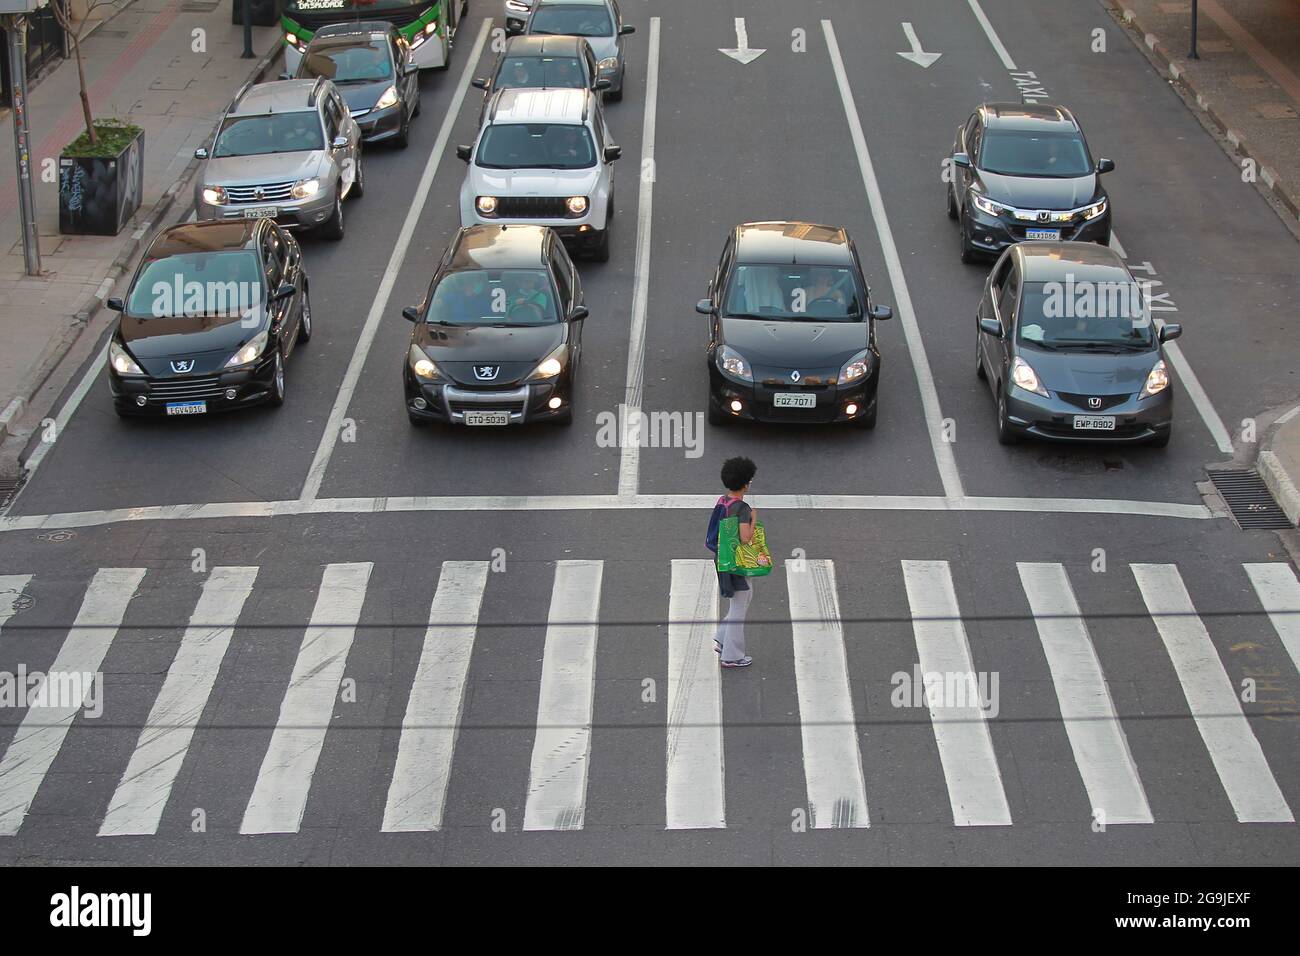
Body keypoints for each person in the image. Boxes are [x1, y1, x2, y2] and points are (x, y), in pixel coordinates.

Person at [712, 456, 758, 668]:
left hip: (724, 559)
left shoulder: (723, 501)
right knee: (740, 604)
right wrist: (754, 518)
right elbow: (746, 537)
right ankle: (732, 655)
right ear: (745, 484)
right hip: (738, 562)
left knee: (743, 598)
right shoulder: (742, 508)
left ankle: (722, 637)